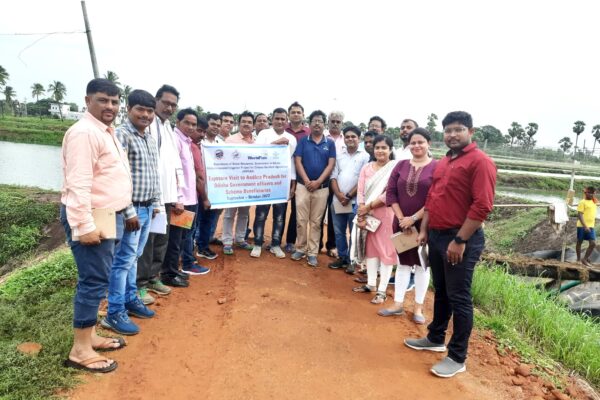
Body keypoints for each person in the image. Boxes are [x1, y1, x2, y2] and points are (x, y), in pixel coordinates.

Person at [405, 111, 496, 378]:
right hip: (436, 235)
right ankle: (435, 338)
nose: (453, 135)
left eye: (458, 129)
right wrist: (424, 230)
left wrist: (460, 240)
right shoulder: (445, 161)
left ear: (471, 132)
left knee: (459, 297)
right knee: (442, 290)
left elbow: (482, 206)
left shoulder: (480, 162)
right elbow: (433, 199)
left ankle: (457, 357)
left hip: (461, 239)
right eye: (448, 131)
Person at [60, 78, 131, 373]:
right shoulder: (84, 133)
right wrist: (84, 225)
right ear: (88, 100)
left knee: (97, 279)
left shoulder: (105, 132)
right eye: (103, 100)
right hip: (92, 216)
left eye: (115, 102)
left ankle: (90, 336)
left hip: (107, 214)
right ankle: (79, 351)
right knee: (93, 282)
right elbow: (78, 183)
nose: (110, 107)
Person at [101, 90, 160, 336]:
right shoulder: (122, 135)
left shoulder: (149, 137)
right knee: (122, 261)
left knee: (133, 257)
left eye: (150, 111)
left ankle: (130, 298)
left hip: (147, 207)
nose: (145, 115)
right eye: (140, 110)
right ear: (129, 108)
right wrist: (129, 211)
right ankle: (114, 312)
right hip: (131, 210)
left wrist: (156, 203)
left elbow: (153, 173)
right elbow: (119, 178)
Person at [379, 128, 437, 323]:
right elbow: (391, 193)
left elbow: (434, 197)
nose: (416, 146)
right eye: (413, 143)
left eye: (421, 142)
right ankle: (397, 304)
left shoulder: (437, 167)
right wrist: (402, 218)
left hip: (425, 225)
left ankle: (418, 308)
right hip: (400, 223)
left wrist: (413, 219)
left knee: (422, 266)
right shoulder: (401, 165)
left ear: (429, 143)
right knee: (402, 263)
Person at [136, 84, 184, 302]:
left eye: (173, 104)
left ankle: (154, 277)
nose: (169, 107)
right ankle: (140, 284)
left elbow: (174, 164)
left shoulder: (168, 128)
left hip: (166, 195)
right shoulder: (147, 125)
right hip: (150, 196)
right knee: (146, 241)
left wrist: (177, 195)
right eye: (166, 103)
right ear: (156, 100)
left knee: (161, 240)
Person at [352, 135, 397, 304]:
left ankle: (382, 290)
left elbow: (390, 193)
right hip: (367, 214)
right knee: (370, 250)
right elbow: (360, 190)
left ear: (390, 150)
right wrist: (362, 210)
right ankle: (370, 284)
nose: (380, 151)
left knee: (385, 251)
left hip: (386, 214)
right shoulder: (367, 168)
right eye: (377, 147)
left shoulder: (394, 168)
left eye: (384, 148)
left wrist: (368, 206)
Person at [291, 110, 336, 267]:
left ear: (324, 124)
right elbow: (298, 161)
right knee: (301, 220)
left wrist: (318, 182)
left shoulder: (329, 143)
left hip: (322, 188)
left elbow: (331, 164)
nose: (317, 123)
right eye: (314, 121)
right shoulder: (303, 141)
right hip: (303, 187)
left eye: (320, 121)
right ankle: (300, 248)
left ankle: (312, 253)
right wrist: (307, 180)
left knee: (316, 222)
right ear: (309, 124)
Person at [161, 108, 200, 287]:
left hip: (190, 199)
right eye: (187, 123)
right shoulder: (175, 140)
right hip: (181, 201)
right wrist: (178, 198)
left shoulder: (187, 142)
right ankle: (169, 274)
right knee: (175, 240)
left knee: (183, 237)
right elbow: (174, 172)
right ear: (178, 122)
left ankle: (174, 271)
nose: (191, 127)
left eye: (194, 124)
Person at [252, 107, 297, 258]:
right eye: (277, 118)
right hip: (264, 181)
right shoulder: (264, 134)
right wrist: (275, 144)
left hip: (281, 183)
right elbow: (257, 154)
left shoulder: (291, 138)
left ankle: (275, 244)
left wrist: (293, 184)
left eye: (282, 119)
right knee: (261, 214)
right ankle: (257, 243)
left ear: (286, 121)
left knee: (279, 216)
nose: (279, 121)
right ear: (272, 119)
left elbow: (291, 162)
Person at [328, 126, 369, 271]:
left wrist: (349, 195)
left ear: (359, 138)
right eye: (347, 136)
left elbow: (363, 180)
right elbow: (333, 175)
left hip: (355, 201)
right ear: (344, 138)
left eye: (353, 136)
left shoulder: (365, 156)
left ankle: (352, 260)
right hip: (338, 200)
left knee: (353, 232)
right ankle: (342, 257)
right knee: (339, 231)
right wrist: (339, 195)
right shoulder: (339, 154)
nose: (350, 139)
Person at [222, 111, 257, 255]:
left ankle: (241, 239)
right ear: (239, 123)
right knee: (230, 214)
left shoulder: (256, 141)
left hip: (248, 184)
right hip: (233, 184)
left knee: (244, 213)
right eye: (244, 121)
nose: (246, 124)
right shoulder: (230, 140)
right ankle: (227, 241)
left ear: (253, 125)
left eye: (249, 122)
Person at [180, 117, 211, 275]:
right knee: (188, 232)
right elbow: (199, 176)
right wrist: (205, 198)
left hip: (191, 196)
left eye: (203, 131)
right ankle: (187, 263)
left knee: (187, 231)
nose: (201, 134)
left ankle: (186, 259)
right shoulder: (191, 147)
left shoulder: (194, 146)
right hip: (187, 198)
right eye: (199, 130)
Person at [284, 101, 311, 253]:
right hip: (280, 177)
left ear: (303, 115)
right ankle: (275, 241)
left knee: (296, 210)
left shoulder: (308, 133)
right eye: (293, 112)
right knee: (278, 210)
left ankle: (290, 241)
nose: (295, 114)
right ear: (289, 115)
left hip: (300, 177)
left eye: (298, 112)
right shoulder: (282, 130)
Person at [576, 186, 597, 267]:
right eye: (589, 193)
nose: (591, 194)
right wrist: (585, 226)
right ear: (586, 193)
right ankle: (578, 259)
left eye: (592, 193)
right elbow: (580, 215)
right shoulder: (582, 202)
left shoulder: (594, 202)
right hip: (582, 225)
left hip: (591, 226)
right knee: (579, 241)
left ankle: (584, 259)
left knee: (593, 243)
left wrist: (588, 226)